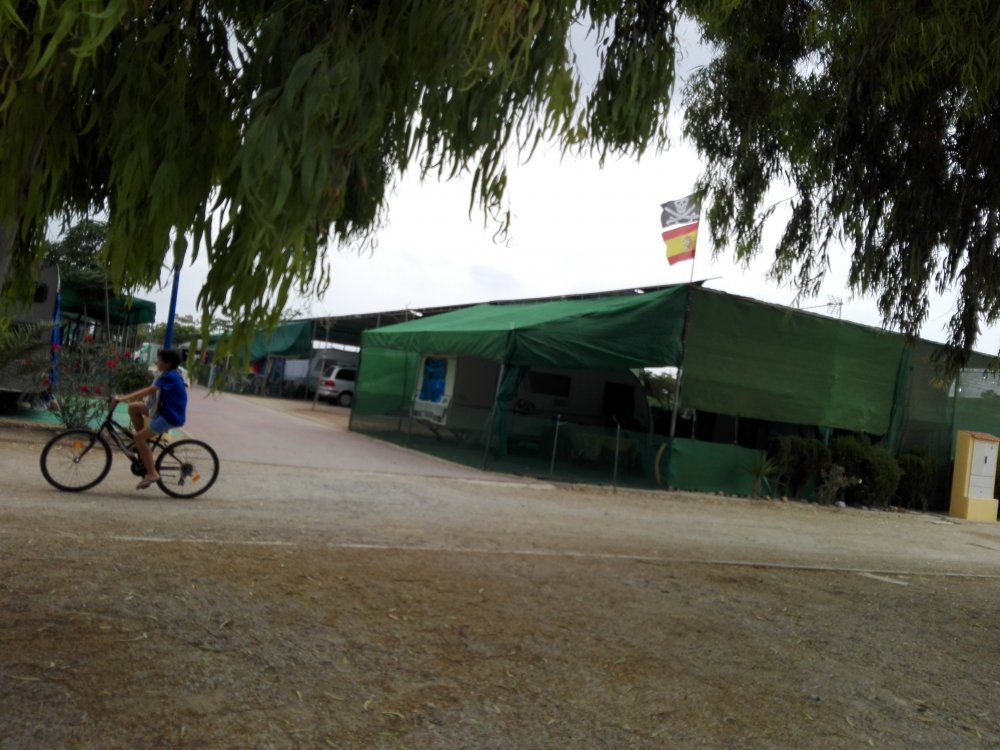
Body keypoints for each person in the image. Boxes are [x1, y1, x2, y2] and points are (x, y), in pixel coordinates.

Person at [111, 348, 188, 490]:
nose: (156, 362)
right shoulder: (169, 373)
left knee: (138, 438)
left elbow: (149, 390)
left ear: (168, 363)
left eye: (159, 360)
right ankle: (143, 444)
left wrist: (122, 398)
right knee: (133, 408)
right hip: (163, 410)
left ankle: (152, 474)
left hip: (170, 416)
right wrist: (125, 398)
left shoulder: (170, 377)